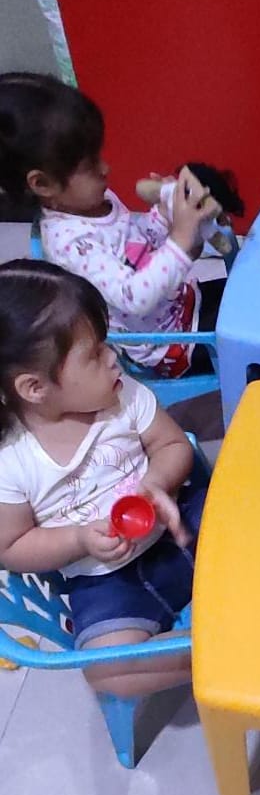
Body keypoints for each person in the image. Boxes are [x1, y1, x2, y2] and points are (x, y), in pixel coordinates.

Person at [0, 260, 206, 697]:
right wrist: (78, 540)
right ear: (35, 388)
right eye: (94, 354)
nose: (114, 358)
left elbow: (173, 444)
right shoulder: (11, 461)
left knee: (255, 512)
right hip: (103, 579)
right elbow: (11, 547)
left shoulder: (121, 395)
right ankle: (224, 644)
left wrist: (157, 482)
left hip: (179, 524)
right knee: (109, 673)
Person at [0, 72, 219, 378]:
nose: (105, 168)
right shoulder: (73, 246)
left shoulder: (92, 202)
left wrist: (164, 214)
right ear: (43, 184)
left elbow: (138, 247)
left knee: (254, 293)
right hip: (172, 345)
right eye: (90, 166)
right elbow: (134, 297)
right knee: (256, 335)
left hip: (183, 303)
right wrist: (181, 240)